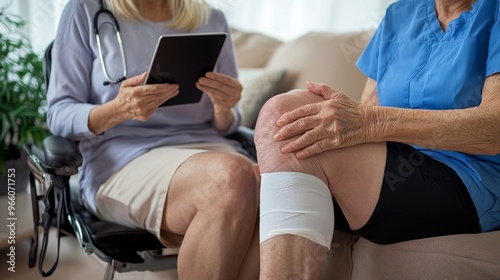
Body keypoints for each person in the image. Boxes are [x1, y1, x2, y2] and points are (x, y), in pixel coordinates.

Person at [254, 0, 500, 279]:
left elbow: (495, 129)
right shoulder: (399, 14)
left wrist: (372, 121)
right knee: (253, 174)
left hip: (470, 181)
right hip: (393, 164)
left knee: (284, 112)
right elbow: (366, 107)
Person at [46, 0, 259, 279]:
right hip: (122, 157)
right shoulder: (85, 10)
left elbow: (228, 122)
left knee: (267, 184)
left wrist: (225, 104)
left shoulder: (212, 18)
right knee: (231, 178)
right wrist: (117, 110)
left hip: (205, 145)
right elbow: (58, 114)